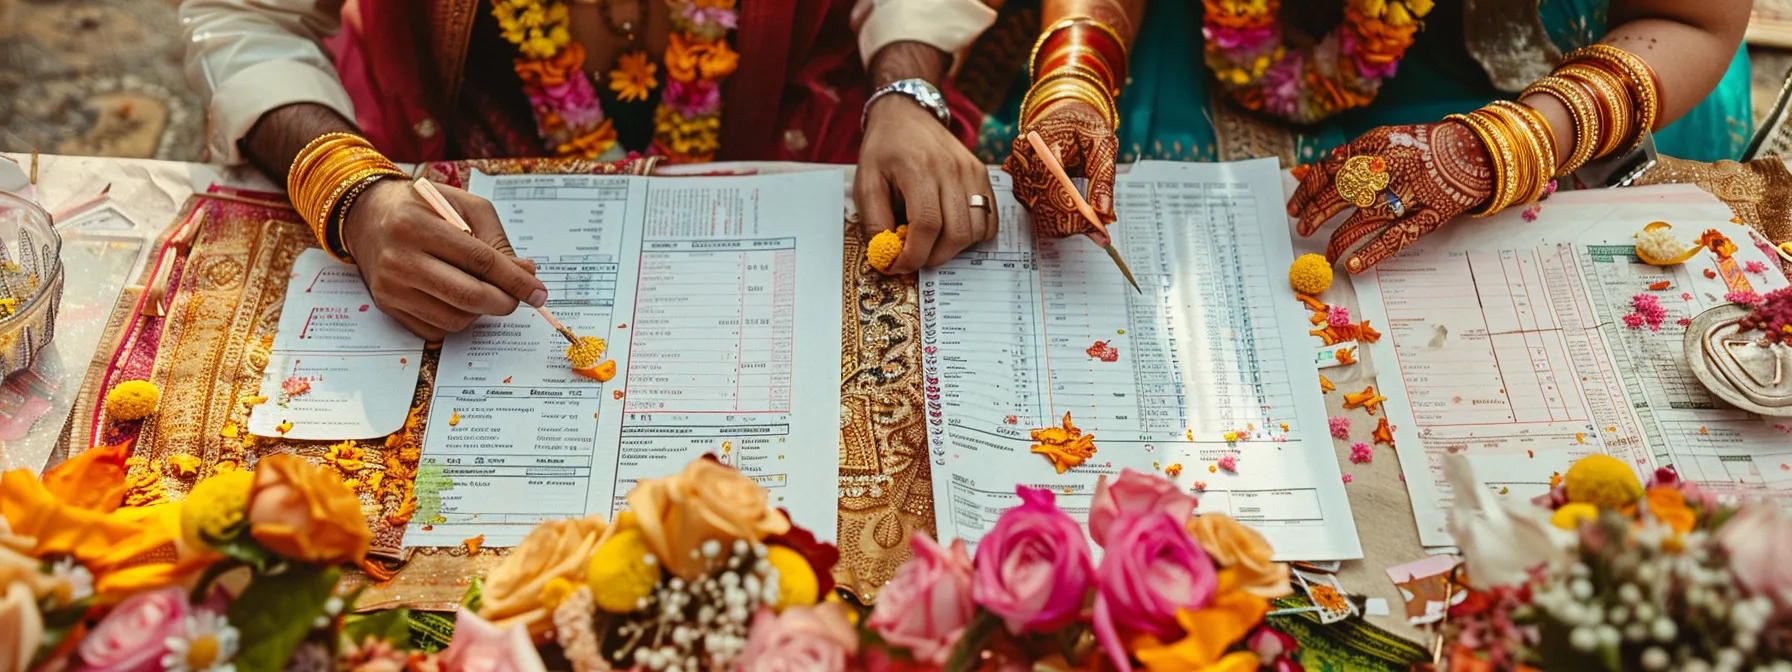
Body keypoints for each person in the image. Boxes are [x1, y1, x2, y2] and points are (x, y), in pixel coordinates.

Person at [180, 0, 1000, 340]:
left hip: (788, 150)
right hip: (468, 183)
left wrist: (904, 83)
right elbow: (246, 18)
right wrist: (355, 193)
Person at [984, 0, 1752, 271]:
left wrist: (1504, 145)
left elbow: (1691, 19)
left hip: (1491, 66)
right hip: (1192, 47)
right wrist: (1076, 75)